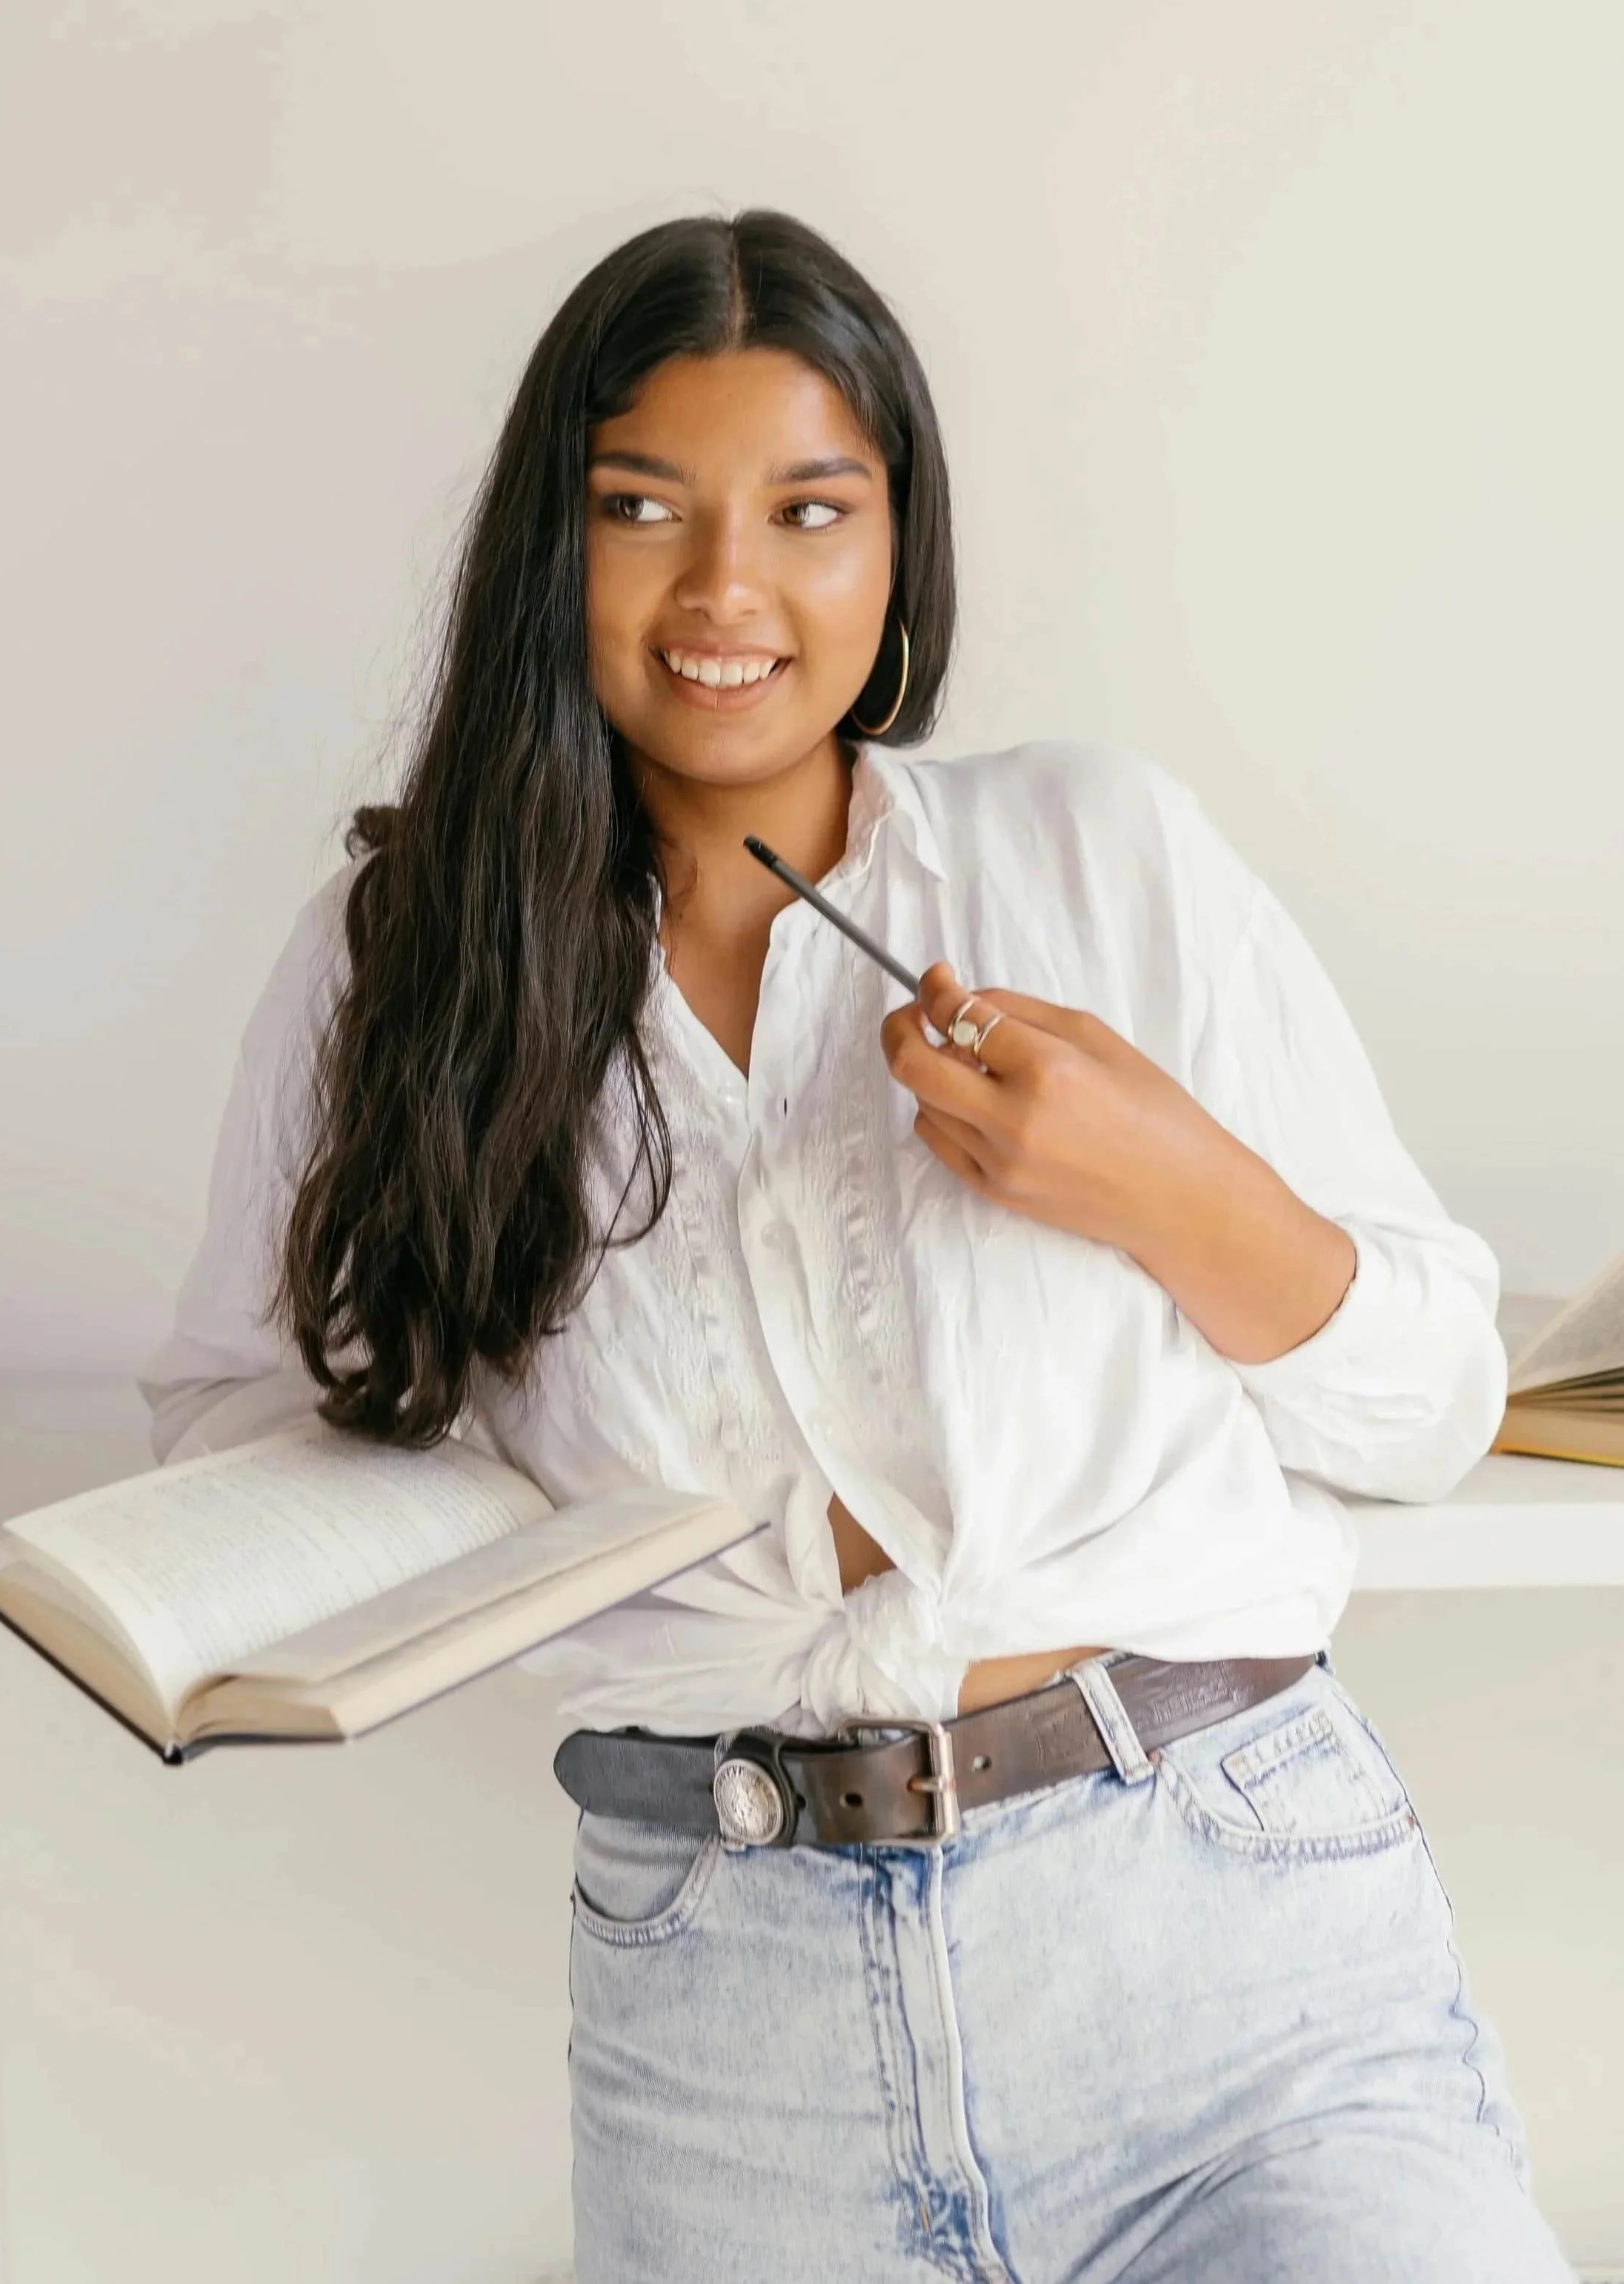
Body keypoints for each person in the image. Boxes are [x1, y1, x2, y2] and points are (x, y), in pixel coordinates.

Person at [139, 209, 1578, 2282]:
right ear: (553, 548)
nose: (726, 590)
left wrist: (1168, 1181)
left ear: (896, 547)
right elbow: (242, 1413)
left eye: (809, 510)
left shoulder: (1099, 851)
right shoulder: (405, 970)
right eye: (643, 510)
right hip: (727, 2033)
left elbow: (1429, 1401)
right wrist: (442, 1535)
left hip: (1229, 1956)